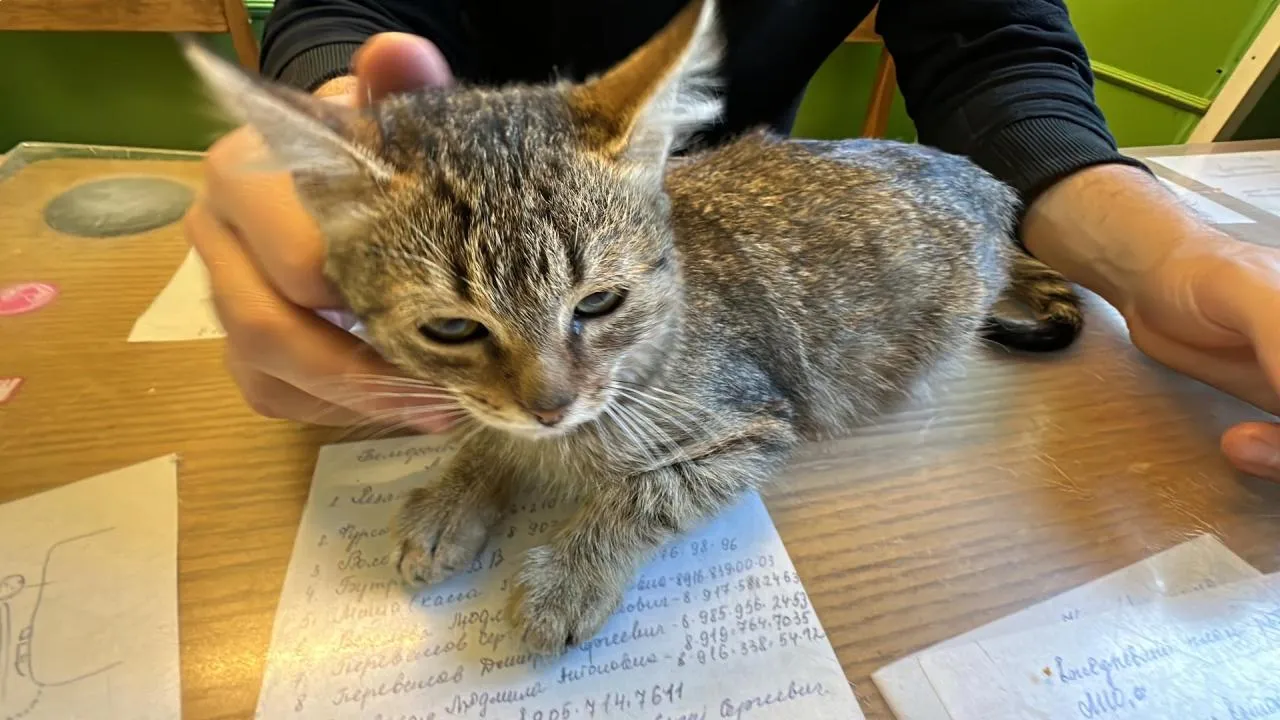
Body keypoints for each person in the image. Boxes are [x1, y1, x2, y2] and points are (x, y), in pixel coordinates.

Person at [185, 0, 1280, 481]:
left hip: (699, 226)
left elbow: (987, 40)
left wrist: (1173, 257)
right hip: (430, 187)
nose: (548, 398)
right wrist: (334, 131)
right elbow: (346, 5)